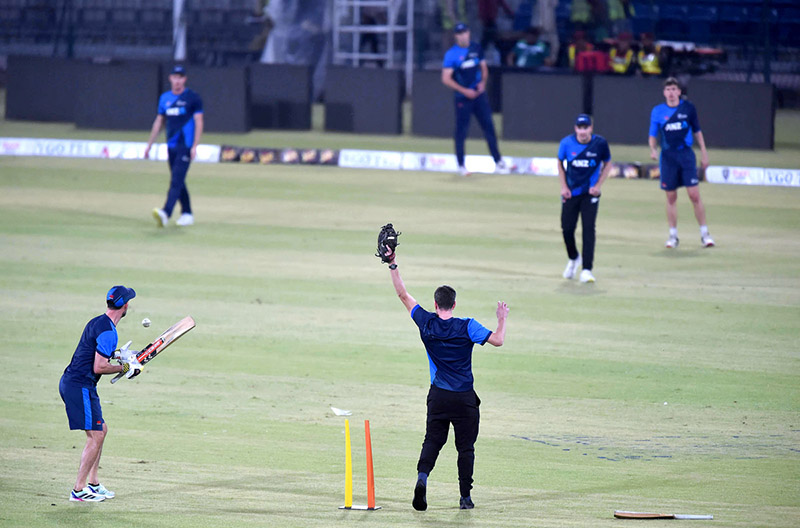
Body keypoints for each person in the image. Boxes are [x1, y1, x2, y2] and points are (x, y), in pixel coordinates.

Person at [382, 249, 509, 511]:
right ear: (454, 304)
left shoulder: (426, 323)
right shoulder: (467, 326)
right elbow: (498, 340)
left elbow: (403, 295)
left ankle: (422, 478)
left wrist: (393, 263)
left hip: (438, 396)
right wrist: (501, 320)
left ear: (436, 303)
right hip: (464, 399)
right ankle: (465, 498)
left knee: (432, 440)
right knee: (466, 448)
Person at [59, 286, 142, 502]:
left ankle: (93, 483)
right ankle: (78, 490)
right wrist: (124, 368)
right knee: (95, 435)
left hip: (76, 383)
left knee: (101, 430)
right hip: (79, 386)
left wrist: (122, 356)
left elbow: (94, 353)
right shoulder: (108, 332)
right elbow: (99, 367)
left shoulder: (98, 322)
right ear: (124, 306)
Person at [648, 77, 715, 249]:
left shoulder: (688, 108)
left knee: (694, 194)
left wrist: (704, 153)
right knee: (671, 196)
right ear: (664, 93)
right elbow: (653, 134)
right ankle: (673, 236)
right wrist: (653, 149)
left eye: (674, 89)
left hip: (686, 155)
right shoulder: (657, 111)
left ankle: (705, 234)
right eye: (668, 89)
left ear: (679, 91)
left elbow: (697, 131)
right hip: (668, 157)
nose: (671, 93)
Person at [442, 23, 511, 177]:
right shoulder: (452, 54)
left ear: (469, 33)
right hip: (462, 98)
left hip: (479, 96)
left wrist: (482, 84)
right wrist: (464, 91)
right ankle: (461, 165)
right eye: (459, 33)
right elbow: (446, 78)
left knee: (489, 128)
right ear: (456, 36)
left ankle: (499, 161)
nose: (463, 36)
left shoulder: (476, 48)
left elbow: (483, 68)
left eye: (465, 32)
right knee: (461, 131)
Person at [144, 65, 204, 228]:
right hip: (171, 146)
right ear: (170, 78)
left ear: (184, 79)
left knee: (176, 180)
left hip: (186, 145)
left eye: (181, 77)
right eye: (175, 77)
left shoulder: (193, 98)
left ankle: (166, 213)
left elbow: (199, 122)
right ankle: (187, 213)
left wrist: (195, 146)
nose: (177, 81)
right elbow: (159, 122)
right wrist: (150, 144)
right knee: (179, 180)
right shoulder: (165, 98)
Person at [558, 114, 613, 283]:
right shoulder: (566, 143)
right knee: (567, 228)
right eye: (580, 128)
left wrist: (598, 185)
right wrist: (564, 187)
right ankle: (574, 258)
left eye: (586, 128)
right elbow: (560, 163)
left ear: (591, 128)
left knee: (589, 229)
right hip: (571, 193)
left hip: (590, 194)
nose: (582, 131)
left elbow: (608, 163)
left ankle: (587, 270)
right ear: (575, 129)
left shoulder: (600, 144)